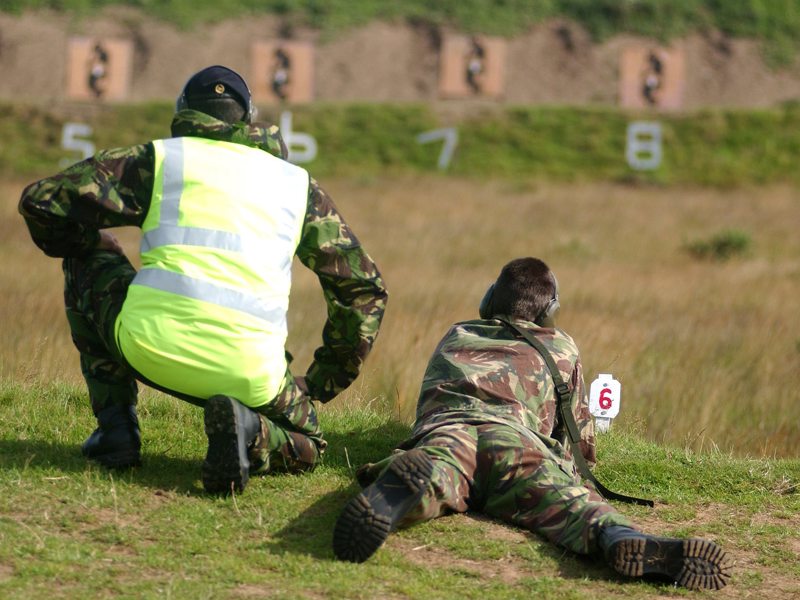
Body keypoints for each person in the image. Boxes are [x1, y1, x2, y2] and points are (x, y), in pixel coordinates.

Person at [19, 65, 388, 495]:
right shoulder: (299, 187)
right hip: (251, 377)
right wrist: (322, 382)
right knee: (308, 444)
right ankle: (251, 431)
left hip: (145, 348)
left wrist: (80, 240)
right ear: (248, 117)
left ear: (183, 112)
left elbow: (41, 202)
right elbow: (362, 288)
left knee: (88, 253)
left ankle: (116, 432)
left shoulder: (158, 161)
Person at [332, 258, 730, 591]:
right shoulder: (560, 346)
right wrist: (571, 471)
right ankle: (619, 537)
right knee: (567, 504)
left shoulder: (457, 333)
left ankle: (407, 487)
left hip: (450, 431)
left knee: (442, 473)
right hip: (515, 440)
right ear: (548, 311)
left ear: (490, 299)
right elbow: (580, 436)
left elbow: (428, 405)